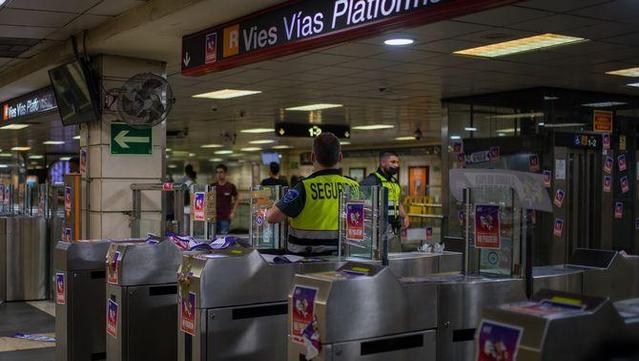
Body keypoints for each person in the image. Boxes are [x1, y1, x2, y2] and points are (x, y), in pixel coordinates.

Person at [267, 133, 359, 256]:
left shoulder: (304, 187)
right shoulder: (354, 187)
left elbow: (272, 217)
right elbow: (357, 227)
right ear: (340, 157)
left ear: (312, 157)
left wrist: (275, 204)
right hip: (343, 258)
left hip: (305, 260)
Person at [360, 151, 410, 250]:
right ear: (383, 163)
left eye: (397, 162)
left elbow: (397, 202)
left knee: (394, 260)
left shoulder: (394, 182)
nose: (396, 165)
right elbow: (360, 204)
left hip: (394, 229)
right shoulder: (371, 181)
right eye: (393, 162)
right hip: (378, 232)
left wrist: (404, 216)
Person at [212, 164, 239, 235]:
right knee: (213, 237)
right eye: (217, 172)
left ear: (225, 173)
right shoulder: (212, 186)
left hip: (225, 217)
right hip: (213, 217)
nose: (219, 174)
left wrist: (233, 212)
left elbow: (237, 198)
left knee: (223, 237)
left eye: (221, 172)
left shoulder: (230, 186)